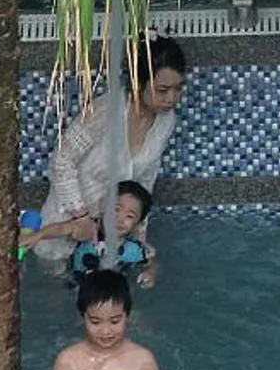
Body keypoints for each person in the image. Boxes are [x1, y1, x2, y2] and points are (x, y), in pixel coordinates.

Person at [29, 36, 187, 278]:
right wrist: (81, 218)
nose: (172, 99)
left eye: (178, 89)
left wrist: (138, 236)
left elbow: (144, 183)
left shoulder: (166, 121)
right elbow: (61, 161)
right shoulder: (104, 112)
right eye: (162, 90)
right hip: (67, 224)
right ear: (138, 82)